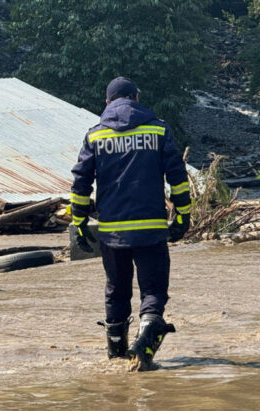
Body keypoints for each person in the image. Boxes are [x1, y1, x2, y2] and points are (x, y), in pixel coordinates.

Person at [70, 76, 191, 371]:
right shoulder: (158, 130)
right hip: (150, 228)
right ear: (137, 98)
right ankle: (144, 348)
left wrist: (80, 222)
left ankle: (116, 356)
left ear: (107, 103)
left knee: (116, 289)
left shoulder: (95, 135)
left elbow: (81, 183)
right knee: (154, 291)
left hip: (112, 231)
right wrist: (183, 215)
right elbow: (178, 177)